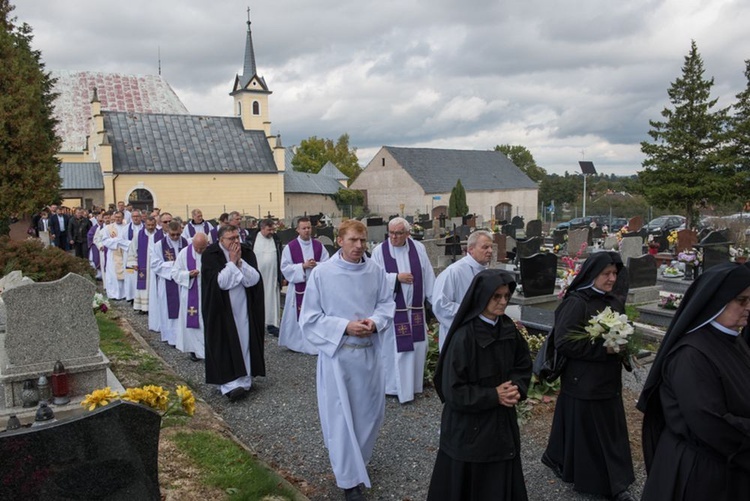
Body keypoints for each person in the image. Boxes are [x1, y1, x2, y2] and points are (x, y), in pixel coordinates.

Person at [637, 262, 750, 500]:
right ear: (717, 301)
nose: (748, 307)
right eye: (741, 300)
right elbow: (709, 422)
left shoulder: (732, 339)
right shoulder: (691, 355)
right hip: (700, 471)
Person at [299, 220, 395, 501]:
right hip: (338, 356)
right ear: (339, 240)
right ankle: (348, 480)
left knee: (370, 414)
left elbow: (386, 304)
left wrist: (375, 321)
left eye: (363, 241)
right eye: (353, 240)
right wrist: (344, 327)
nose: (359, 246)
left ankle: (357, 463)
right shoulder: (323, 274)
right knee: (341, 418)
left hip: (369, 354)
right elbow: (310, 318)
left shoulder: (376, 271)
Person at [427, 270, 531, 501]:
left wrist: (516, 387)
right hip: (469, 429)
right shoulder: (463, 337)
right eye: (496, 296)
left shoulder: (508, 329)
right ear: (482, 297)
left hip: (501, 424)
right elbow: (452, 390)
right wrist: (493, 395)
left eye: (506, 296)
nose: (503, 302)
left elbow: (523, 365)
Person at [541, 251, 635, 501]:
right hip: (584, 380)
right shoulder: (577, 302)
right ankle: (610, 485)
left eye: (615, 273)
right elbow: (564, 342)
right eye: (606, 273)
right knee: (589, 432)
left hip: (608, 381)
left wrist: (624, 344)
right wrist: (602, 349)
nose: (612, 278)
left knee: (606, 429)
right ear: (593, 274)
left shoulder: (614, 302)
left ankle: (560, 458)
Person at [371, 217, 436, 403]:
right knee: (395, 351)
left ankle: (413, 387)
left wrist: (435, 299)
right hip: (393, 312)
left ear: (408, 234)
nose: (393, 237)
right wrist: (396, 277)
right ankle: (392, 387)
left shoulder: (418, 248)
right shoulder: (379, 251)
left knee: (416, 348)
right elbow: (374, 279)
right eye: (391, 232)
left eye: (398, 233)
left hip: (415, 310)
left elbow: (428, 273)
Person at [201, 224, 266, 402]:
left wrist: (240, 262)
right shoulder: (210, 254)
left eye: (237, 237)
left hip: (243, 306)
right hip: (221, 309)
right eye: (231, 239)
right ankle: (228, 384)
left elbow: (254, 279)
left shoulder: (245, 251)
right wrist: (231, 262)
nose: (235, 242)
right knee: (224, 343)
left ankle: (245, 379)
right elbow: (219, 283)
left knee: (245, 339)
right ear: (221, 240)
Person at [432, 230, 494, 350]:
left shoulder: (486, 272)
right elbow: (440, 306)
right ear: (471, 249)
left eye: (491, 247)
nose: (490, 251)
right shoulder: (453, 272)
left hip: (482, 336)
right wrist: (473, 313)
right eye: (485, 247)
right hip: (458, 338)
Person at [278, 217, 329, 354]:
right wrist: (302, 266)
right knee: (296, 314)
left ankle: (314, 343)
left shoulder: (319, 246)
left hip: (315, 288)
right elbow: (285, 267)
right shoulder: (290, 247)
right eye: (304, 228)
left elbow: (327, 264)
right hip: (298, 289)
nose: (307, 231)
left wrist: (315, 265)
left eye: (309, 228)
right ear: (298, 230)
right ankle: (296, 343)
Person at [151, 221, 188, 346]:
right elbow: (155, 264)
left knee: (184, 309)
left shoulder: (186, 243)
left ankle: (184, 338)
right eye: (173, 235)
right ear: (167, 232)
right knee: (169, 310)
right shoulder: (159, 245)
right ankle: (171, 337)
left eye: (178, 234)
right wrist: (174, 265)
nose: (176, 237)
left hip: (183, 282)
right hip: (168, 282)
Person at [173, 233, 209, 361]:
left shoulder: (212, 253)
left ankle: (209, 349)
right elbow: (175, 272)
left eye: (202, 248)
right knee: (194, 322)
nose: (199, 251)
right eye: (197, 248)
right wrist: (188, 274)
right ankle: (194, 350)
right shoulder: (184, 253)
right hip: (191, 294)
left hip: (208, 293)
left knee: (207, 321)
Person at [249, 219, 283, 336]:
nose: (272, 232)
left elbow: (280, 257)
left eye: (273, 229)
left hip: (272, 277)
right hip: (257, 278)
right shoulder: (252, 240)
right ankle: (257, 325)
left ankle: (272, 325)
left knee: (272, 300)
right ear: (262, 228)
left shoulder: (276, 240)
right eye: (269, 229)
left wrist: (281, 276)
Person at [127, 216, 161, 315]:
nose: (150, 227)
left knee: (156, 285)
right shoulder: (138, 235)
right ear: (145, 224)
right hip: (144, 265)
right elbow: (132, 249)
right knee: (144, 286)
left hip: (156, 265)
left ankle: (156, 306)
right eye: (148, 225)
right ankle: (143, 307)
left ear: (155, 224)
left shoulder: (160, 235)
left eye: (152, 225)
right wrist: (133, 263)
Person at [101, 211, 131, 300]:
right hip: (113, 253)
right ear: (113, 217)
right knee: (113, 274)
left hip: (125, 253)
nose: (118, 219)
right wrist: (116, 241)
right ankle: (115, 294)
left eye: (119, 217)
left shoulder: (127, 227)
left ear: (123, 217)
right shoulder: (108, 228)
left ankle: (126, 293)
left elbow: (130, 240)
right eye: (116, 217)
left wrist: (120, 241)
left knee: (128, 272)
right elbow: (105, 240)